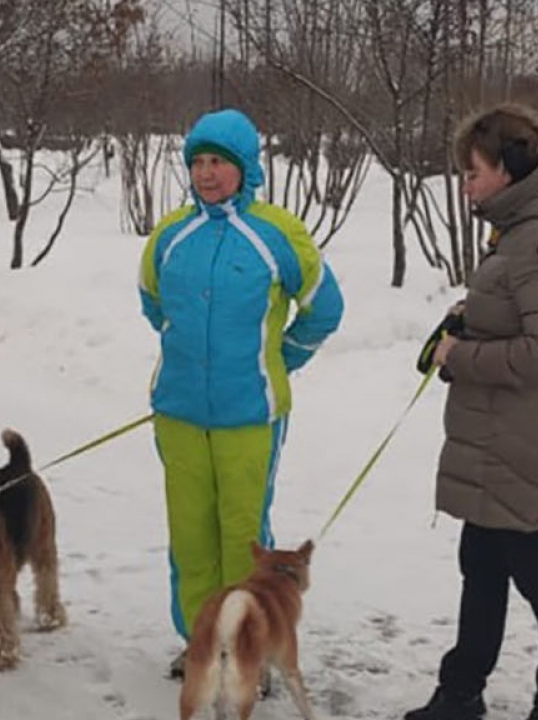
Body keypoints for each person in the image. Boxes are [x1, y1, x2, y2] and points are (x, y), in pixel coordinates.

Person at [405, 103, 538, 720]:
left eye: (473, 172)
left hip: (534, 436)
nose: (465, 184)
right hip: (505, 436)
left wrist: (460, 354)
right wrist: (469, 319)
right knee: (483, 562)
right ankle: (462, 690)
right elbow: (526, 314)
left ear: (511, 167)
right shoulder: (527, 228)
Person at [137, 108, 344, 677]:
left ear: (246, 168)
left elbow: (324, 308)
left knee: (243, 536)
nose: (206, 174)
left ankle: (250, 644)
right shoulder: (171, 235)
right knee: (191, 533)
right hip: (178, 412)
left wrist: (281, 358)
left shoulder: (276, 232)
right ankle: (202, 639)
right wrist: (190, 357)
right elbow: (153, 303)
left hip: (249, 415)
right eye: (198, 162)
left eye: (218, 163)